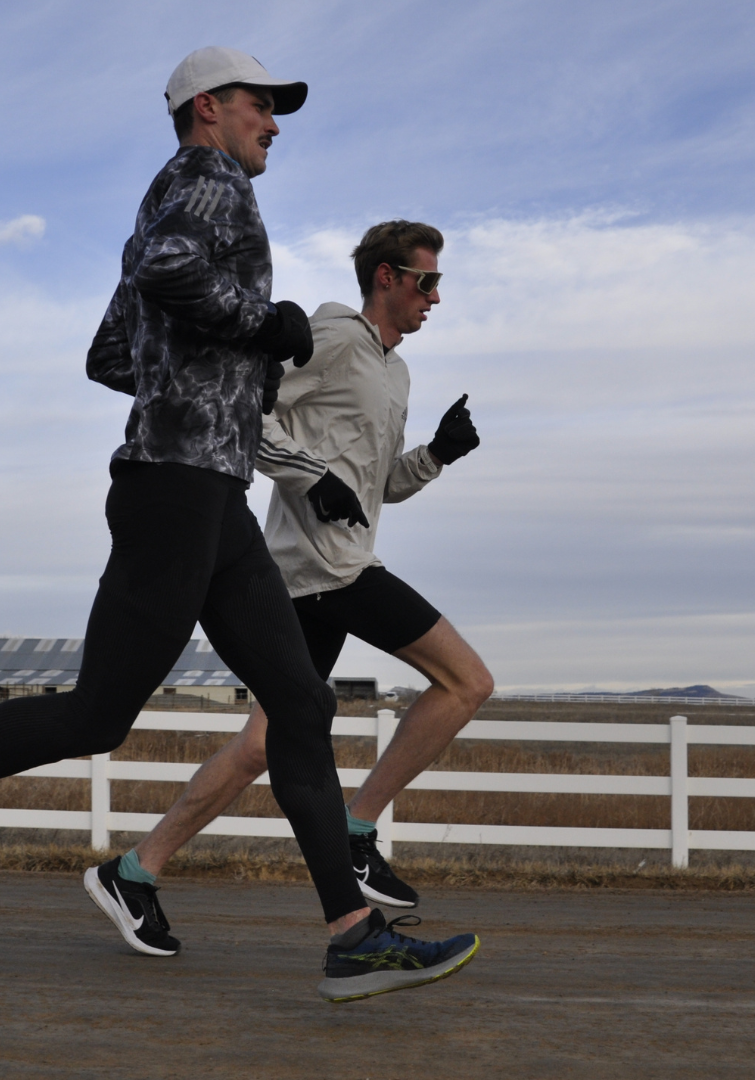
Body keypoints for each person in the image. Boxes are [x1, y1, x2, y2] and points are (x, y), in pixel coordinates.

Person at [0, 47, 478, 1004]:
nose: (275, 123)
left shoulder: (176, 191)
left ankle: (353, 935)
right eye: (262, 105)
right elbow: (170, 277)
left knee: (301, 704)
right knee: (96, 716)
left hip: (210, 493)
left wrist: (211, 374)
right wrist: (265, 327)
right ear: (207, 108)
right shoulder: (206, 182)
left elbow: (110, 354)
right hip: (173, 490)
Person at [96, 219, 491, 956]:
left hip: (323, 569)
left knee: (260, 746)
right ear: (386, 277)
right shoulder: (335, 337)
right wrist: (310, 477)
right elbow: (251, 410)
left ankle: (134, 870)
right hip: (327, 571)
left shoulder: (393, 370)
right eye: (426, 281)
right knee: (466, 681)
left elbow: (372, 492)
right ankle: (357, 831)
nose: (435, 297)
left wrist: (437, 455)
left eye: (439, 284)